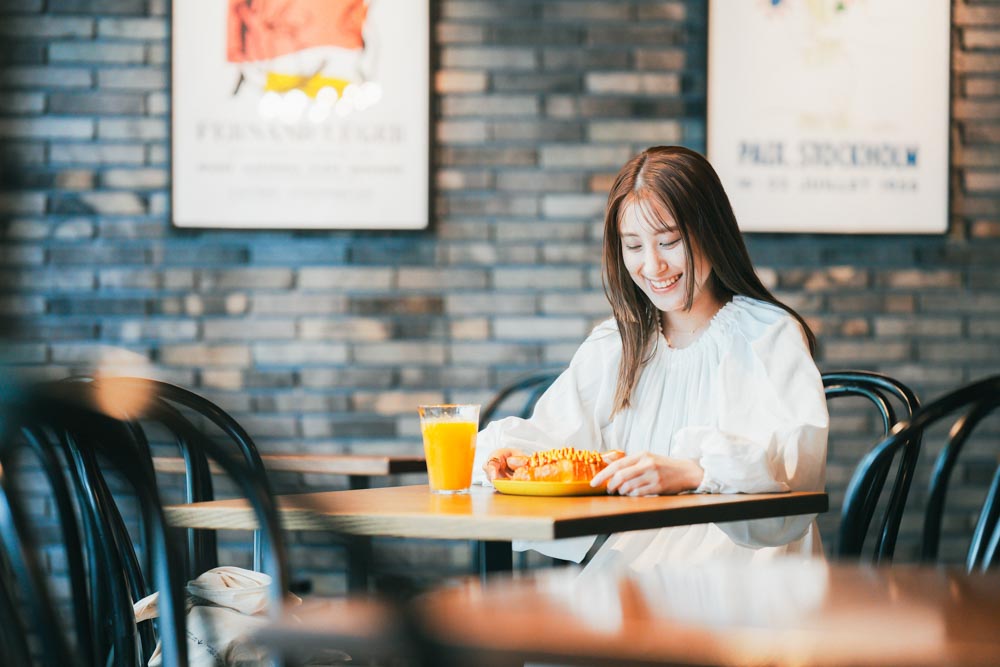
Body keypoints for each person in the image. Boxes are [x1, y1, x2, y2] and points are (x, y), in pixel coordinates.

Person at [473, 145, 829, 568]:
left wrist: (695, 474)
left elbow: (793, 482)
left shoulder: (767, 335)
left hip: (749, 573)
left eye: (669, 241)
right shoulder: (617, 345)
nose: (653, 265)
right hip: (639, 568)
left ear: (711, 232)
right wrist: (512, 461)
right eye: (634, 246)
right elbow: (550, 438)